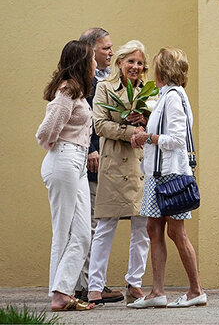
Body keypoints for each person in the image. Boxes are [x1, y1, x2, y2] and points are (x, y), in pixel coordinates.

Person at [128, 47, 206, 308]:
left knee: (176, 231)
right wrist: (147, 123)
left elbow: (176, 139)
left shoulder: (173, 97)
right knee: (155, 229)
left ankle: (196, 290)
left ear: (163, 70)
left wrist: (146, 137)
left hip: (170, 174)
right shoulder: (167, 96)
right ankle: (157, 292)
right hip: (158, 173)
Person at [88, 40, 152, 304]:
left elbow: (157, 123)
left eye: (139, 63)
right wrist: (130, 132)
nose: (135, 67)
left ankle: (134, 284)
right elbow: (100, 124)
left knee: (142, 227)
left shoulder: (150, 92)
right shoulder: (104, 88)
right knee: (105, 225)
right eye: (131, 62)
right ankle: (95, 286)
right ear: (120, 63)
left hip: (139, 165)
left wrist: (145, 122)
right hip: (114, 164)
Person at [36, 40, 97, 312]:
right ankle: (59, 294)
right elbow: (46, 130)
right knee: (63, 231)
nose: (96, 64)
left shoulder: (79, 92)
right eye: (93, 59)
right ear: (83, 62)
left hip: (77, 163)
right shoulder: (67, 90)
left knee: (82, 234)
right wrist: (56, 147)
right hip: (65, 160)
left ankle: (62, 291)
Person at [74, 28, 123, 304]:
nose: (111, 52)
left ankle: (90, 282)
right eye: (106, 48)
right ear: (91, 50)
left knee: (95, 220)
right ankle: (88, 285)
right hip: (91, 159)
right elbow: (88, 120)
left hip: (103, 159)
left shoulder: (102, 78)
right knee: (92, 221)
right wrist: (92, 148)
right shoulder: (86, 81)